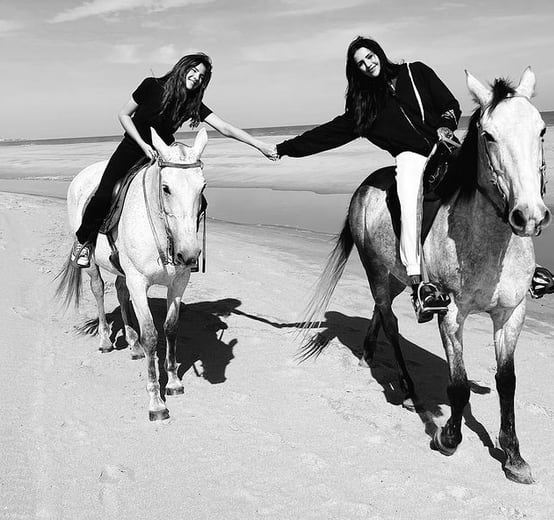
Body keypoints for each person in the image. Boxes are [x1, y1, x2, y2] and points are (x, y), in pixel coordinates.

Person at [275, 36, 461, 322]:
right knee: (409, 197)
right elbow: (328, 135)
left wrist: (446, 126)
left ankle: (526, 266)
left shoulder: (416, 71)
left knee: (494, 173)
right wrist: (285, 149)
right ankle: (419, 283)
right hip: (412, 157)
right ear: (356, 70)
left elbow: (450, 104)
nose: (368, 64)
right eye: (360, 63)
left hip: (444, 145)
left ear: (379, 52)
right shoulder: (366, 107)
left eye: (370, 56)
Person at [71, 52, 276, 268]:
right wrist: (143, 144)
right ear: (183, 67)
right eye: (194, 71)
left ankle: (184, 247)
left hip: (163, 154)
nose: (196, 77)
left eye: (202, 76)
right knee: (105, 194)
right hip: (132, 148)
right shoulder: (151, 86)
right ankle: (83, 242)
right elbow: (123, 115)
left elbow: (224, 127)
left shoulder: (191, 103)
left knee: (195, 200)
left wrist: (260, 146)